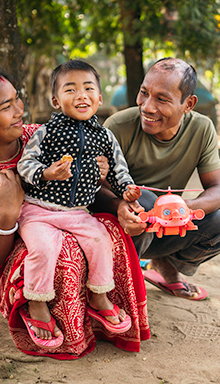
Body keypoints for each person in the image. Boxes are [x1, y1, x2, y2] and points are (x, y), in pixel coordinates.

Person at [0, 66, 150, 360]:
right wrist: (7, 215)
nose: (20, 110)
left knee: (106, 229)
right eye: (6, 106)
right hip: (8, 252)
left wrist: (117, 202)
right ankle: (40, 312)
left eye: (17, 99)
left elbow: (82, 197)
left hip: (66, 216)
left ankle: (99, 307)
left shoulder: (43, 136)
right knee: (59, 249)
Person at [95, 57, 220, 300]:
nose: (147, 106)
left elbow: (217, 190)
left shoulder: (202, 129)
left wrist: (182, 209)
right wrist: (118, 205)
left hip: (167, 226)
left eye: (162, 99)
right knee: (146, 201)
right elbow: (93, 190)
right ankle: (116, 287)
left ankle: (166, 265)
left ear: (189, 104)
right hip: (121, 226)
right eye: (144, 93)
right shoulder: (118, 126)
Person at [17, 60, 141, 346]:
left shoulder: (105, 137)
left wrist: (127, 191)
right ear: (56, 100)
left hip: (77, 212)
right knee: (43, 248)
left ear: (99, 98)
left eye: (88, 89)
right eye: (70, 90)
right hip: (38, 210)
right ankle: (37, 304)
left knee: (100, 239)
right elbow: (25, 164)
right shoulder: (46, 133)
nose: (81, 95)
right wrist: (46, 173)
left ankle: (98, 297)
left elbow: (120, 170)